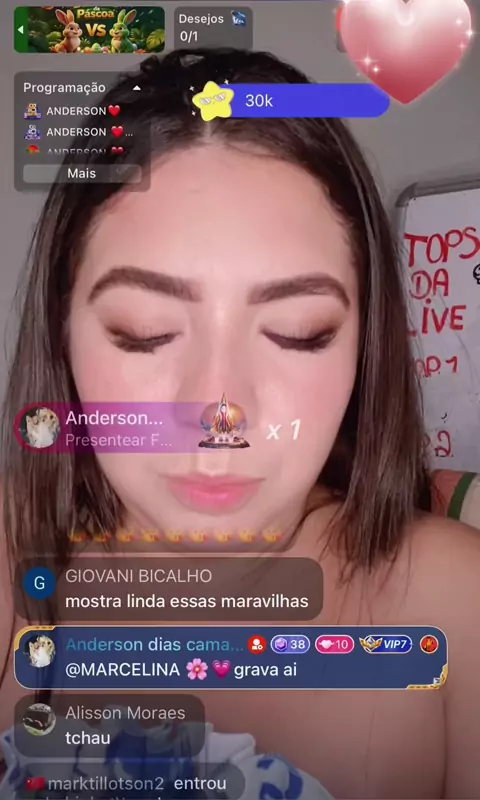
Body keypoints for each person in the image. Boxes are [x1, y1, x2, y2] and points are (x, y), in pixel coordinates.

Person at [0, 48, 479, 799]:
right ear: (63, 332)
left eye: (298, 333)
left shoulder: (459, 604)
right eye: (144, 332)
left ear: (365, 342)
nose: (219, 411)